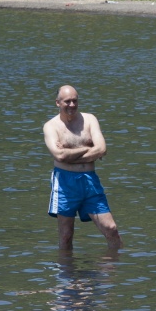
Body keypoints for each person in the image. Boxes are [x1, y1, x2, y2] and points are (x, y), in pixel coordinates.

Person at [43, 85, 121, 251]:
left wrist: (70, 153)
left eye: (74, 101)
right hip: (65, 183)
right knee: (66, 235)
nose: (71, 105)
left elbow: (102, 149)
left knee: (111, 229)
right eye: (67, 101)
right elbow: (60, 156)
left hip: (90, 181)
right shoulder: (51, 126)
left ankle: (113, 270)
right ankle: (67, 275)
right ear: (57, 103)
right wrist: (88, 149)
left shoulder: (90, 120)